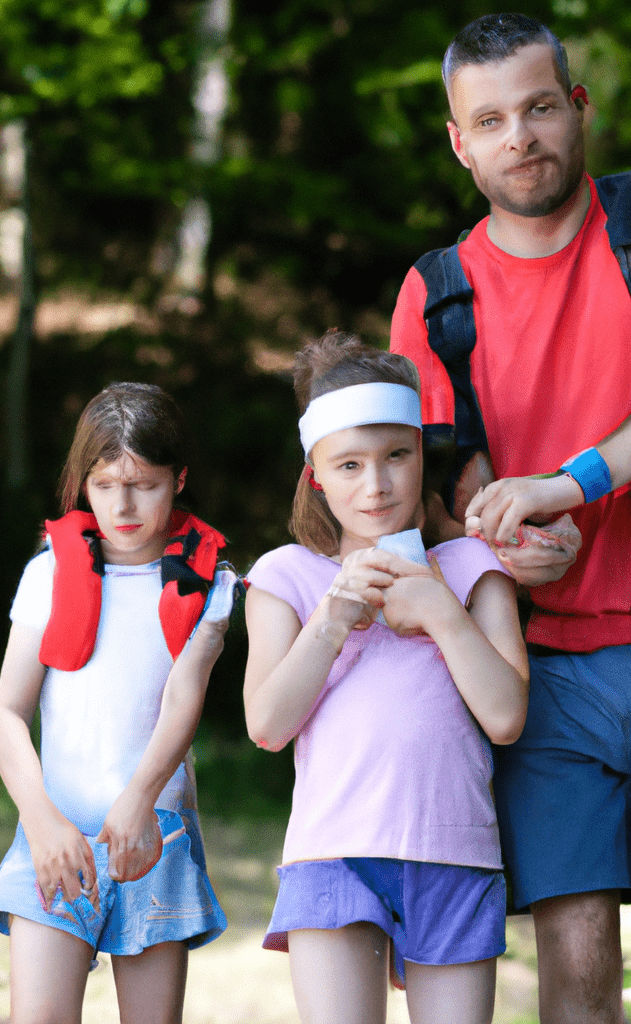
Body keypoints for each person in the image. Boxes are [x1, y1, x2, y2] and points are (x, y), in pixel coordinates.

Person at [390, 13, 631, 1023]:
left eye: (537, 108)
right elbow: (428, 487)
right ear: (458, 140)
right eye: (488, 119)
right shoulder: (435, 294)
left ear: (576, 109)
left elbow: (551, 479)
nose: (518, 137)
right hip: (540, 673)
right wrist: (500, 542)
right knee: (575, 970)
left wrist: (566, 484)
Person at [243, 331, 528, 1024]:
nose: (376, 485)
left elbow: (506, 716)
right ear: (317, 474)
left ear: (421, 455)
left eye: (396, 456)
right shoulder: (288, 577)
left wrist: (438, 609)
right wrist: (336, 614)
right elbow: (268, 725)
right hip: (333, 852)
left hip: (455, 852)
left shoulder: (471, 568)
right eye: (349, 465)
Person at [0, 381, 237, 1024]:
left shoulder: (210, 583)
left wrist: (139, 799)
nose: (122, 506)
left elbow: (185, 701)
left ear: (180, 479)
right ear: (82, 484)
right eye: (103, 485)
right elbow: (7, 713)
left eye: (144, 484)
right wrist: (39, 821)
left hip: (155, 832)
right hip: (54, 830)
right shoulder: (48, 575)